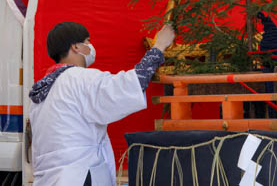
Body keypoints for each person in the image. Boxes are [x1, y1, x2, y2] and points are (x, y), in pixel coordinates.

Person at [28, 21, 175, 186]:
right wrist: (159, 46)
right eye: (88, 41)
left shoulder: (42, 91)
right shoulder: (78, 79)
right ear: (76, 47)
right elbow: (129, 85)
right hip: (79, 175)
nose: (91, 46)